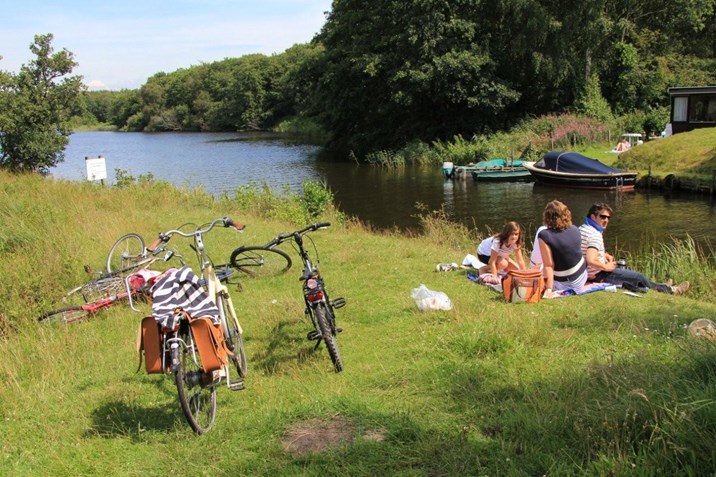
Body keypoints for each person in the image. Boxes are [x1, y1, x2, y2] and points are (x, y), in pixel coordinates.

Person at [579, 203, 689, 295]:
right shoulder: (595, 235)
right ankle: (671, 290)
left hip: (586, 273)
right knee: (638, 276)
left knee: (627, 269)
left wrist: (604, 254)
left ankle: (659, 285)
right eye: (603, 217)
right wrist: (606, 267)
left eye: (608, 218)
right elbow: (591, 260)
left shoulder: (583, 228)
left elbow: (585, 249)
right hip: (597, 274)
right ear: (593, 217)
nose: (606, 220)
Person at [537, 200, 587, 297]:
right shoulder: (575, 229)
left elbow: (549, 265)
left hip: (565, 284)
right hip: (582, 277)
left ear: (547, 217)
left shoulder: (544, 235)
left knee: (540, 268)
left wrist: (548, 289)